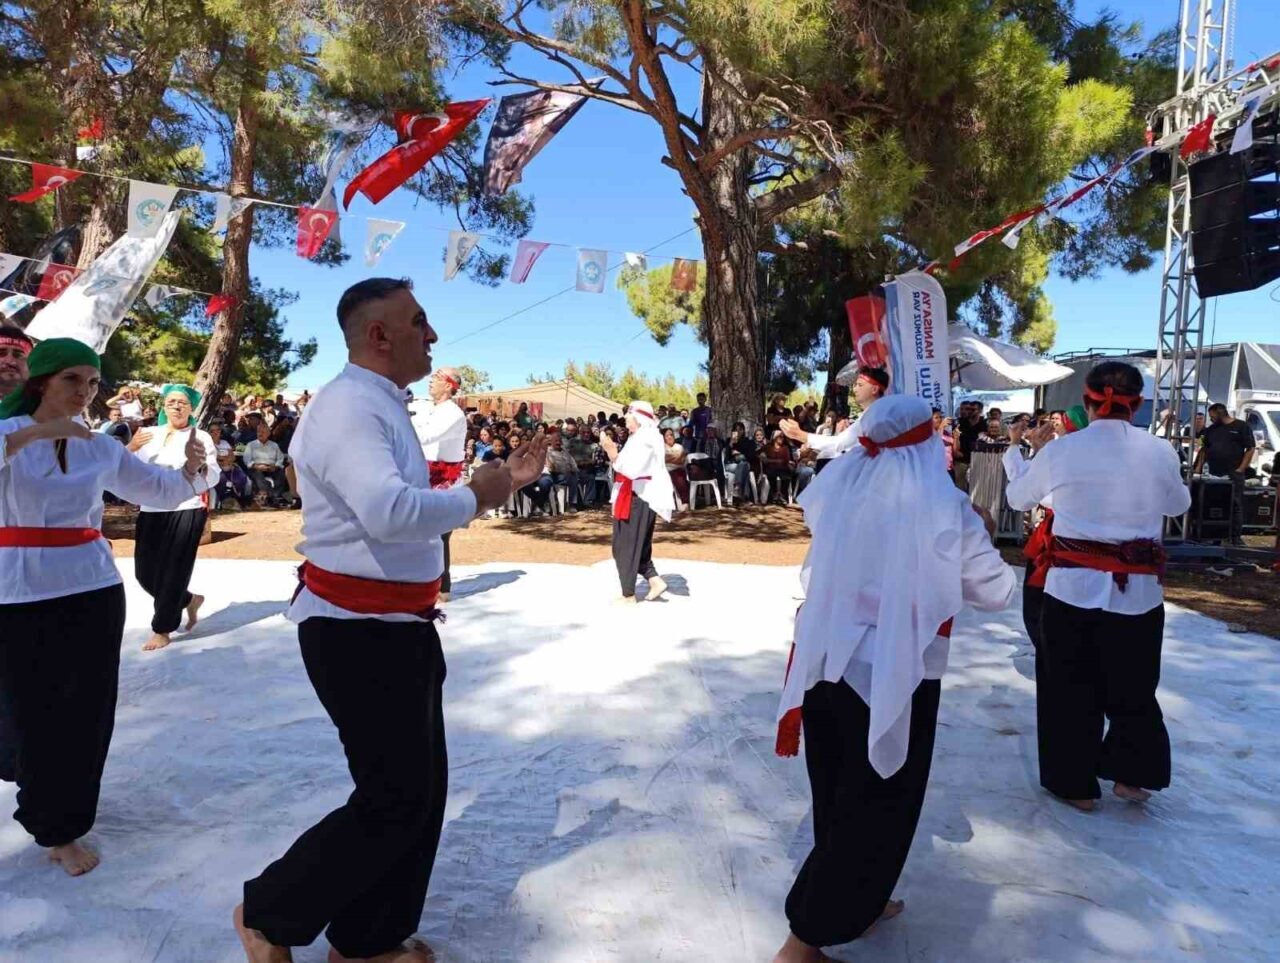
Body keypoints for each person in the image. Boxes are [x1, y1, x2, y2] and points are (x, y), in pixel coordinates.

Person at [235, 278, 546, 963]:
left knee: (418, 791)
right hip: (355, 631)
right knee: (394, 796)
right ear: (380, 334)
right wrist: (476, 496)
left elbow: (390, 502)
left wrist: (500, 484)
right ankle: (267, 912)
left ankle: (366, 937)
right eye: (419, 321)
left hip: (393, 626)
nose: (431, 334)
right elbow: (386, 511)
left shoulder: (376, 404)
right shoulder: (350, 406)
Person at [772, 395, 1017, 963]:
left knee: (836, 795)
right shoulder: (944, 506)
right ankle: (803, 942)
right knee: (876, 807)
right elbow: (996, 591)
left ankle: (864, 898)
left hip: (826, 665)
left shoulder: (841, 491)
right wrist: (979, 529)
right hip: (896, 678)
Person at [0, 338, 211, 876]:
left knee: (83, 715)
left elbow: (159, 491)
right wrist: (41, 432)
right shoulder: (7, 434)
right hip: (17, 593)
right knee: (27, 713)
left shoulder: (100, 447)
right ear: (41, 381)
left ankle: (61, 825)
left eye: (93, 383)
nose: (85, 392)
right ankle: (32, 780)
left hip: (91, 590)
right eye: (73, 379)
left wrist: (191, 471)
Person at [1006, 361, 1191, 811]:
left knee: (1068, 686)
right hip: (1138, 593)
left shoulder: (1063, 450)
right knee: (1134, 685)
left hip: (1072, 587)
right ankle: (1132, 776)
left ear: (1088, 402)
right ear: (1139, 404)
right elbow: (1179, 503)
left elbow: (1017, 499)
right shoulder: (1159, 451)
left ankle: (1075, 785)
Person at [127, 384, 221, 652]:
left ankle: (162, 628)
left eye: (182, 402)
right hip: (151, 509)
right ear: (163, 407)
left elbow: (212, 473)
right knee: (144, 574)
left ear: (191, 408)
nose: (176, 407)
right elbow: (123, 466)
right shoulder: (147, 433)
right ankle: (189, 599)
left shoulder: (200, 436)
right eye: (171, 402)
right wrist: (130, 447)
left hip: (187, 507)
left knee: (174, 571)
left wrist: (199, 464)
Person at [599, 401, 673, 603]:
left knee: (626, 546)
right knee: (635, 545)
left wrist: (611, 452)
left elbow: (632, 469)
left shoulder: (646, 438)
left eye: (629, 417)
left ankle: (628, 594)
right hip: (634, 495)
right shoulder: (641, 437)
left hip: (638, 497)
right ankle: (654, 580)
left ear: (638, 417)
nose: (626, 421)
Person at [0, 325, 30, 785]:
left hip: (25, 571)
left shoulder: (49, 419)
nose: (7, 362)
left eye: (17, 356)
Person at [410, 366, 468, 601]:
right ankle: (422, 580)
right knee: (421, 533)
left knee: (440, 534)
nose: (431, 380)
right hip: (425, 473)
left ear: (449, 385)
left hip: (446, 479)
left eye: (436, 377)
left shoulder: (454, 414)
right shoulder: (428, 408)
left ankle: (442, 588)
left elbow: (425, 436)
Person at [779, 367, 888, 460]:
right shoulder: (872, 414)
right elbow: (845, 447)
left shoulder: (875, 415)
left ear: (874, 389)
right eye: (854, 385)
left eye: (860, 385)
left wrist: (799, 434)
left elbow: (838, 443)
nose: (854, 389)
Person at [1194, 403, 1256, 546]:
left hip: (1233, 472)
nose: (1211, 419)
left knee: (1235, 504)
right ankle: (1213, 535)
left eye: (1212, 416)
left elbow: (1250, 448)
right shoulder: (1211, 430)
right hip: (1214, 473)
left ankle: (1235, 536)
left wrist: (1241, 468)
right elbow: (1204, 449)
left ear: (1220, 413)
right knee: (1213, 504)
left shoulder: (1241, 427)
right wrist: (1198, 468)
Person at [244, 421, 289, 507]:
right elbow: (246, 459)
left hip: (271, 468)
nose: (260, 434)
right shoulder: (251, 445)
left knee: (282, 473)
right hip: (256, 467)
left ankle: (276, 495)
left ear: (268, 434)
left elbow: (280, 458)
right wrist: (255, 465)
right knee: (257, 475)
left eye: (263, 432)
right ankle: (271, 497)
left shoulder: (274, 445)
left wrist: (275, 466)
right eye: (258, 432)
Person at [663, 427, 689, 508]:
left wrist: (669, 458)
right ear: (663, 437)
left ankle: (685, 502)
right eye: (667, 435)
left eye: (671, 435)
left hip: (678, 469)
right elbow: (662, 459)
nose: (670, 437)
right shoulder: (661, 447)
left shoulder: (679, 446)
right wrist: (675, 457)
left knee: (678, 475)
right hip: (665, 471)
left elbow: (680, 459)